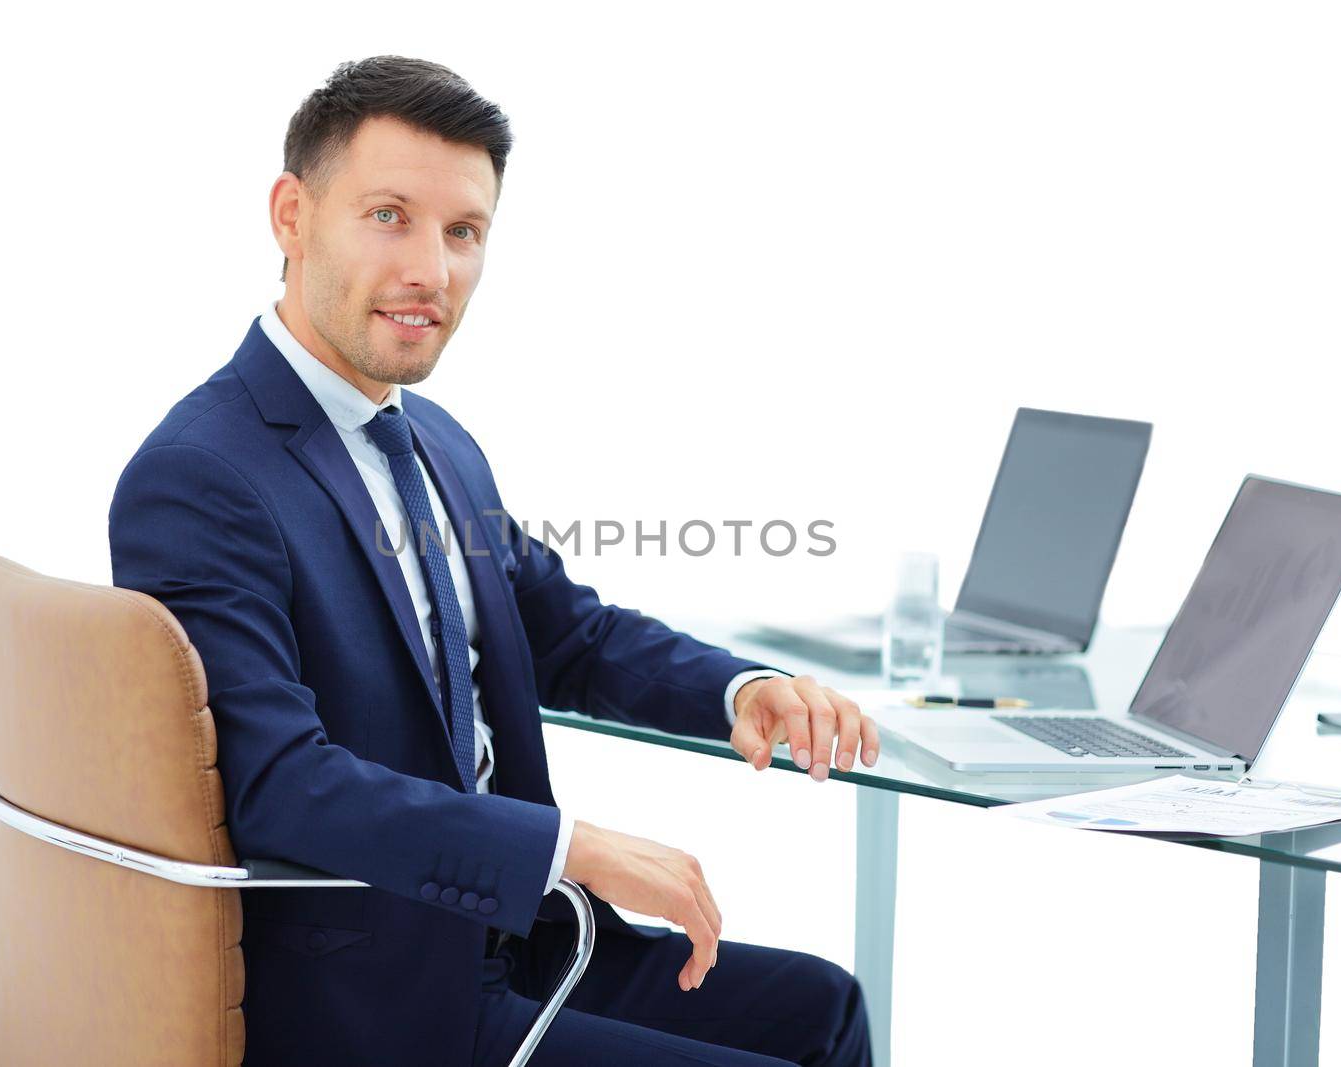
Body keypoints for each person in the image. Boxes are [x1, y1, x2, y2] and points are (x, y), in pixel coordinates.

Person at [109, 55, 876, 1066]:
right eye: (388, 215)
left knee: (823, 1007)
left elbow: (566, 631)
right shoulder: (202, 475)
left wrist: (739, 687)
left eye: (463, 231)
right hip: (378, 990)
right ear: (291, 214)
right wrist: (570, 848)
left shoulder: (430, 438)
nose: (432, 268)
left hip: (511, 935)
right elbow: (280, 783)